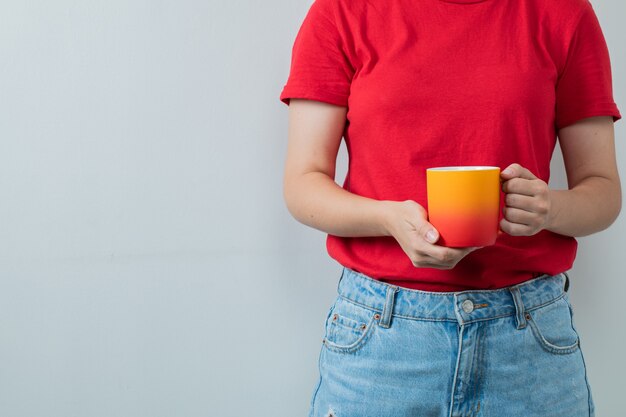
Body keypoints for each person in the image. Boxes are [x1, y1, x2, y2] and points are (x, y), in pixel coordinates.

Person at [279, 0, 621, 415]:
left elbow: (603, 193)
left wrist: (549, 208)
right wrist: (388, 219)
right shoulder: (343, 12)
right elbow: (303, 182)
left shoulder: (563, 13)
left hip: (528, 342)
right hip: (381, 340)